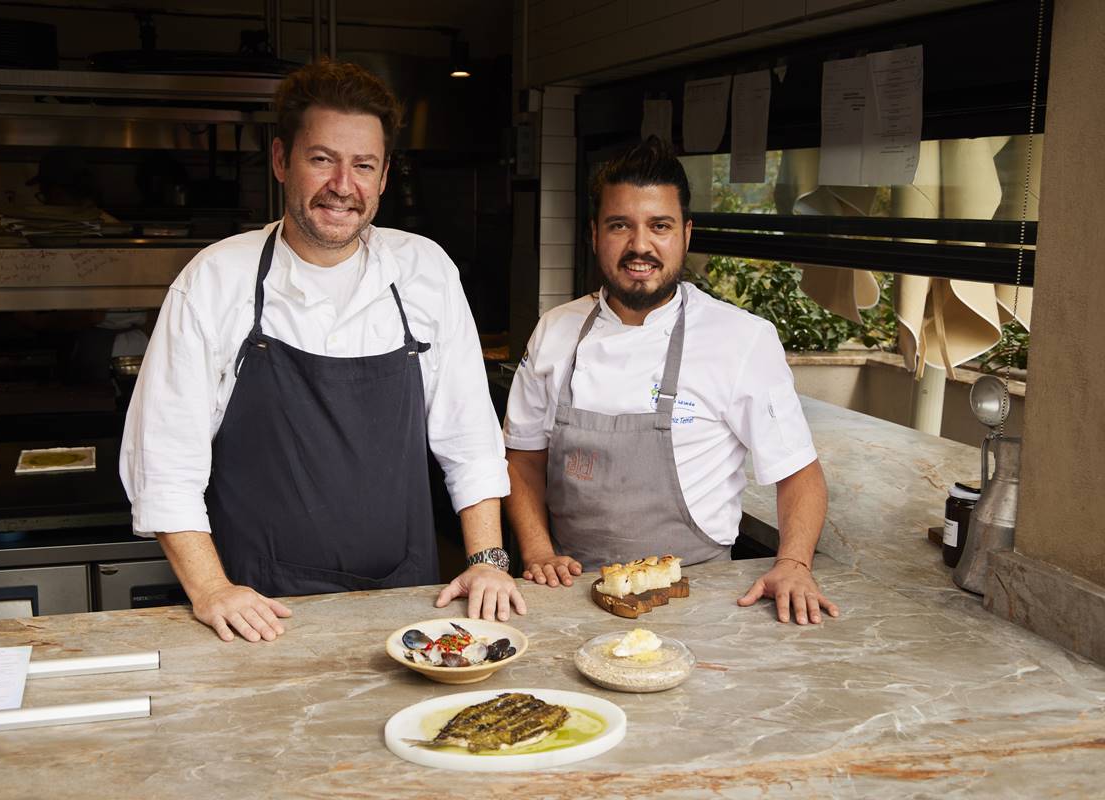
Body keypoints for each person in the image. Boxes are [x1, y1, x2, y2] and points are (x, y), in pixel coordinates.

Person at [120, 60, 523, 643]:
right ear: (282, 160)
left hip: (405, 601)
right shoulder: (215, 279)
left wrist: (489, 559)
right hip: (260, 612)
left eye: (364, 165)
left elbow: (469, 437)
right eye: (321, 159)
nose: (343, 185)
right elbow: (162, 461)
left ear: (384, 178)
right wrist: (211, 589)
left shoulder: (425, 271)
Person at [503, 137, 839, 625]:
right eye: (621, 226)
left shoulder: (741, 338)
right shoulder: (555, 330)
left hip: (696, 596)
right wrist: (536, 552)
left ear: (686, 234)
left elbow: (799, 473)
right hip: (567, 587)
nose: (640, 245)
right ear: (595, 234)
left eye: (659, 226)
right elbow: (522, 460)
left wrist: (792, 564)